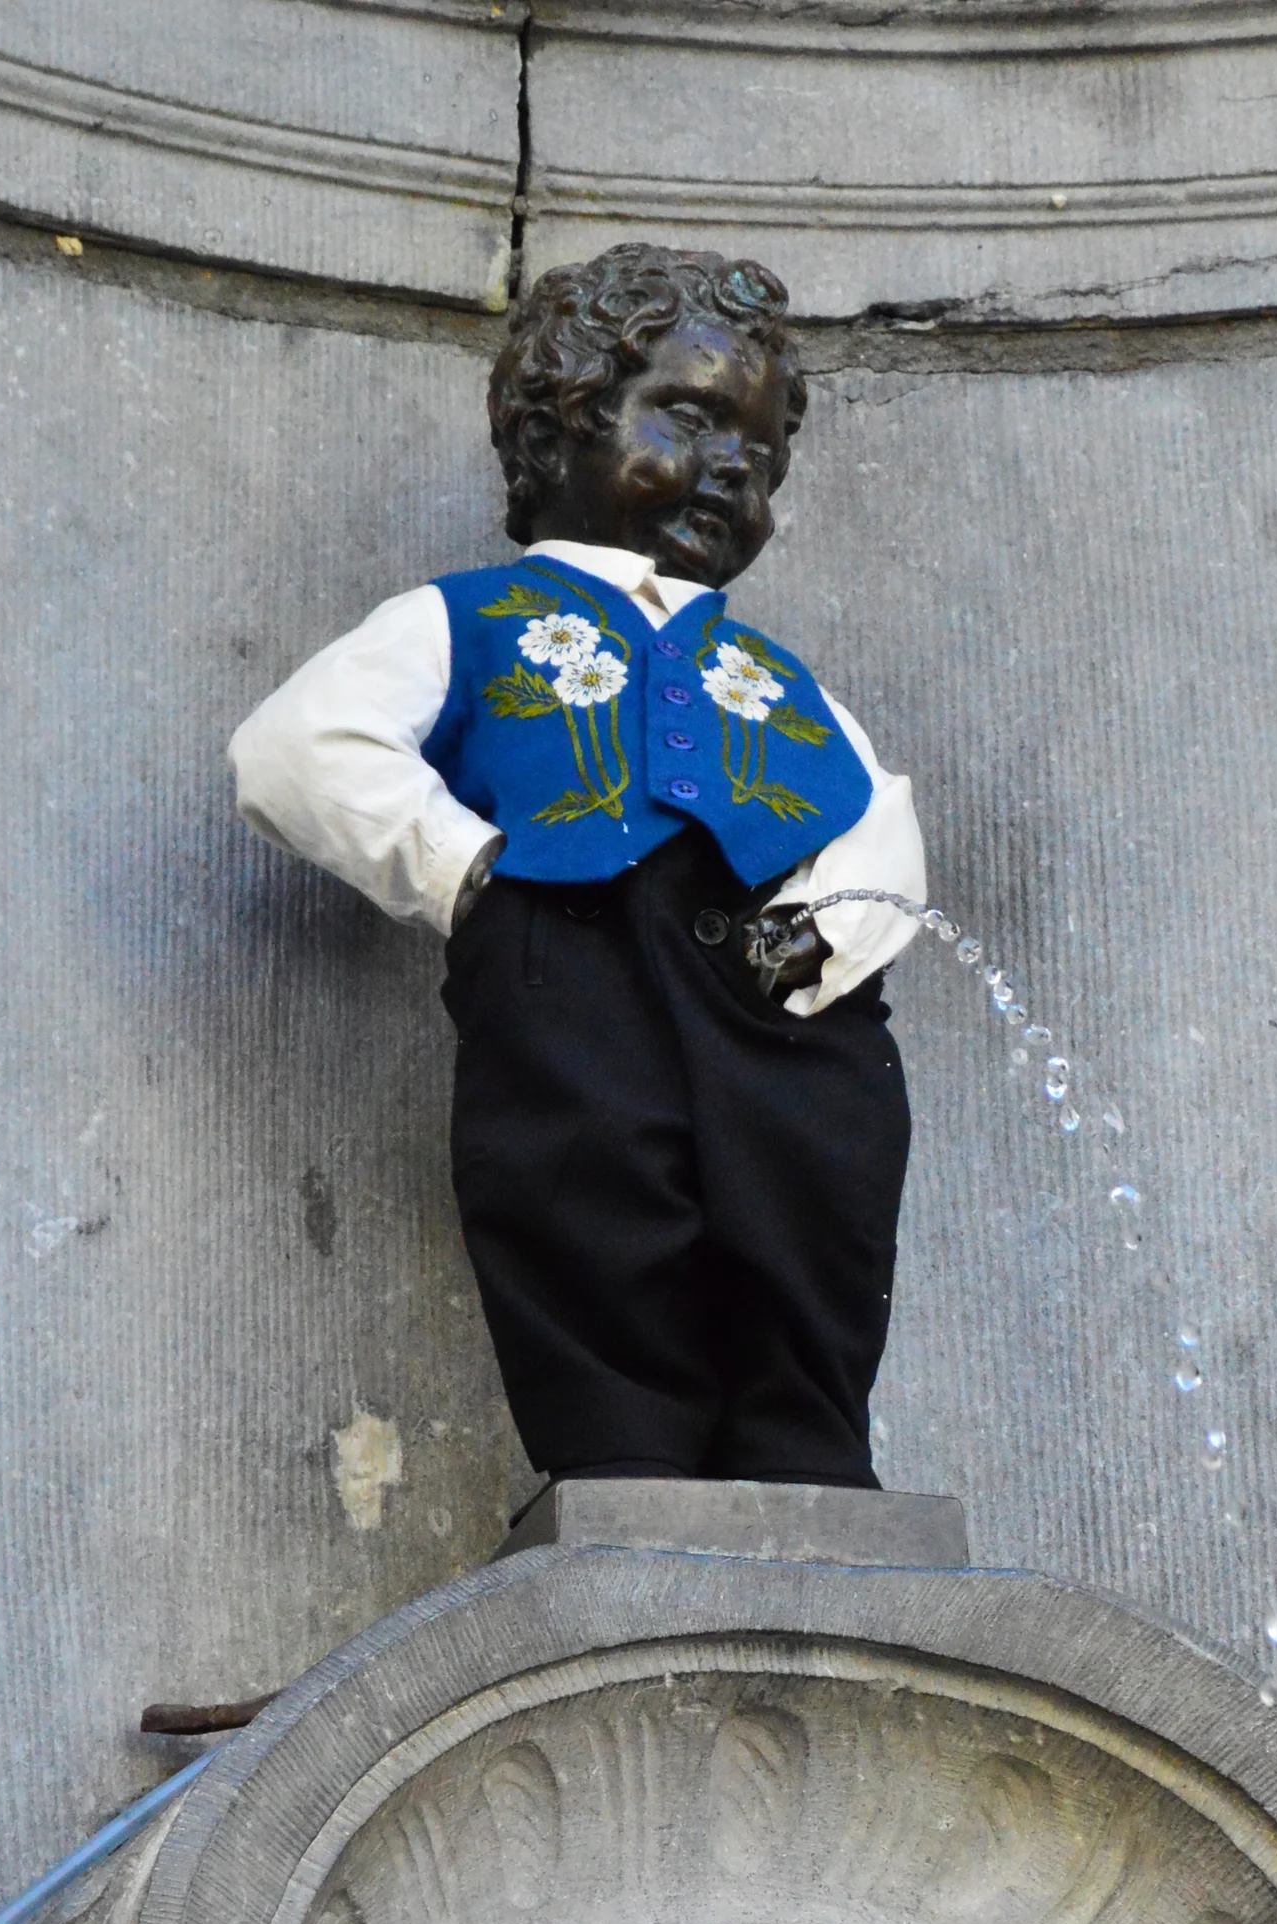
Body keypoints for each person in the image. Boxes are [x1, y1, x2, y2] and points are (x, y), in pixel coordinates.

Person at [228, 243, 926, 1492]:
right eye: (694, 420)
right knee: (582, 1198)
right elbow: (297, 745)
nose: (731, 470)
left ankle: (807, 1461)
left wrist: (830, 931)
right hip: (570, 965)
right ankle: (623, 1463)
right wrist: (468, 871)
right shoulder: (470, 619)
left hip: (782, 1004)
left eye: (760, 458)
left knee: (810, 1205)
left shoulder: (775, 676)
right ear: (562, 423)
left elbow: (879, 820)